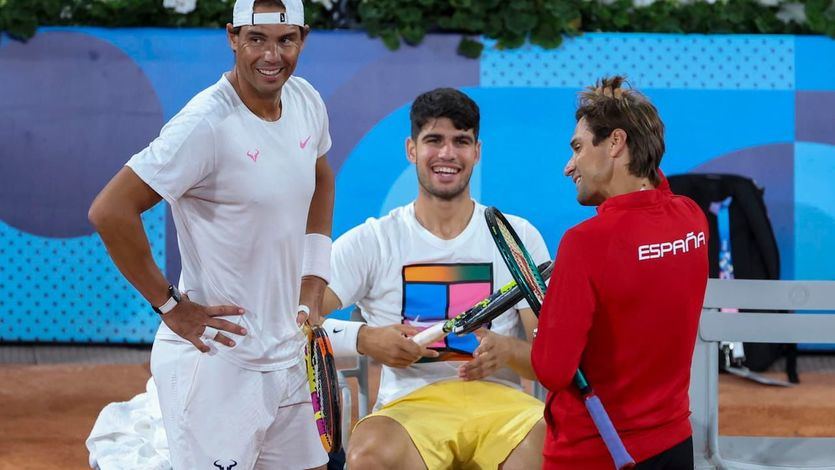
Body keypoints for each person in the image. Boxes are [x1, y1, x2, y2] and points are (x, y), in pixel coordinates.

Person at [87, 0, 333, 468]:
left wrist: (314, 278)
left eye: (285, 40)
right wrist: (170, 307)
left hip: (286, 350)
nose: (271, 56)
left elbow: (321, 176)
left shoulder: (306, 100)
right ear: (232, 38)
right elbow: (110, 211)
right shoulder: (203, 125)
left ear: (303, 38)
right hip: (217, 363)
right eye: (256, 39)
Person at [319, 87, 550, 469]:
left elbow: (553, 357)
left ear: (477, 151)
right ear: (411, 149)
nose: (447, 154)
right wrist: (364, 338)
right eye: (434, 140)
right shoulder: (372, 240)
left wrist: (508, 352)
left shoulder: (519, 236)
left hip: (504, 408)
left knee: (560, 446)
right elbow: (296, 318)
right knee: (369, 457)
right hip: (407, 410)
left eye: (461, 141)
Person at [531, 76, 709, 469]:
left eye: (577, 148)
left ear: (615, 143)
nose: (568, 167)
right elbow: (654, 191)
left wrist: (539, 334)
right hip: (675, 445)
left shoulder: (585, 243)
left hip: (593, 454)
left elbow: (553, 370)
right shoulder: (692, 220)